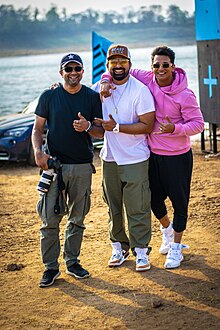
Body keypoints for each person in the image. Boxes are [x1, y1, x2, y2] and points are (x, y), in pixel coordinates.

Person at [100, 45, 204, 269]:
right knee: (153, 201)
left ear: (173, 67)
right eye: (156, 65)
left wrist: (174, 129)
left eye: (165, 65)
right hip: (153, 155)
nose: (160, 69)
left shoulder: (185, 94)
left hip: (177, 156)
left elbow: (198, 124)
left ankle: (176, 248)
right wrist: (105, 80)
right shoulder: (146, 78)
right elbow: (118, 69)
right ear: (151, 66)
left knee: (180, 203)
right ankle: (167, 230)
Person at [32, 53, 104, 287]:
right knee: (49, 220)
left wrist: (87, 127)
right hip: (54, 167)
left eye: (77, 69)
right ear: (61, 72)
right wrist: (38, 152)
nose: (73, 73)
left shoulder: (92, 97)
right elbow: (37, 128)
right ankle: (50, 268)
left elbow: (100, 132)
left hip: (83, 167)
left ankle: (72, 262)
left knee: (77, 218)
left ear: (83, 72)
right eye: (68, 69)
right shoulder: (49, 95)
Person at [93, 44, 155, 271]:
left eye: (123, 61)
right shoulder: (98, 89)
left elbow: (147, 125)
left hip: (135, 158)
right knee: (113, 207)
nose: (118, 65)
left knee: (138, 206)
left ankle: (141, 251)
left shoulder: (140, 90)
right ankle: (119, 247)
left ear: (129, 63)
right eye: (114, 62)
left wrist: (117, 127)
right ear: (108, 65)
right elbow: (93, 122)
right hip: (109, 158)